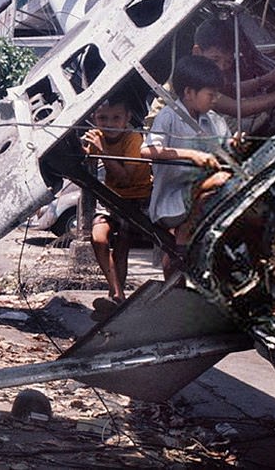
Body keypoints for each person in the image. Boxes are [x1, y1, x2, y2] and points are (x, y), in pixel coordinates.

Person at [142, 56, 234, 278]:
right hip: (170, 202)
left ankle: (176, 284)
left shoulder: (214, 120)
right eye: (210, 94)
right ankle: (183, 234)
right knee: (216, 182)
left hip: (200, 199)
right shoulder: (169, 116)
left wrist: (235, 146)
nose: (216, 99)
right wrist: (191, 155)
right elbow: (146, 151)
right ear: (189, 93)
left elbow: (228, 150)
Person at [81, 95, 152, 312]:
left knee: (122, 247)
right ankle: (117, 294)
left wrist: (101, 150)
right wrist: (84, 151)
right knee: (98, 239)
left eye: (116, 118)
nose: (110, 124)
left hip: (136, 200)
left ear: (127, 118)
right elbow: (87, 166)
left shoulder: (133, 139)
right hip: (111, 199)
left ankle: (117, 297)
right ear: (94, 118)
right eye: (103, 118)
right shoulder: (96, 138)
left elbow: (125, 177)